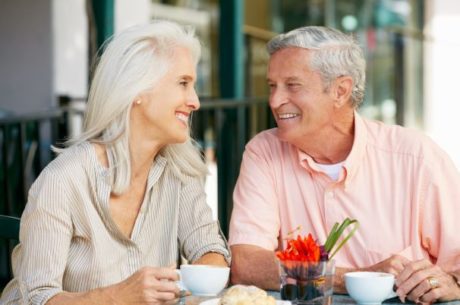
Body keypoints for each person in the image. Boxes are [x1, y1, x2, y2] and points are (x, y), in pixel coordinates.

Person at [0, 20, 230, 305]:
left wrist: (192, 280)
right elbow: (36, 298)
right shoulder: (64, 179)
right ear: (137, 92)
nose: (195, 101)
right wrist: (117, 296)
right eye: (183, 83)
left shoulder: (179, 170)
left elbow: (211, 250)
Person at [228, 25, 460, 303]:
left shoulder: (417, 158)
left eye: (293, 85)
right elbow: (247, 264)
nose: (275, 101)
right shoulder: (263, 152)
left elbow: (455, 271)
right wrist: (358, 277)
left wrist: (450, 285)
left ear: (340, 90)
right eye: (272, 86)